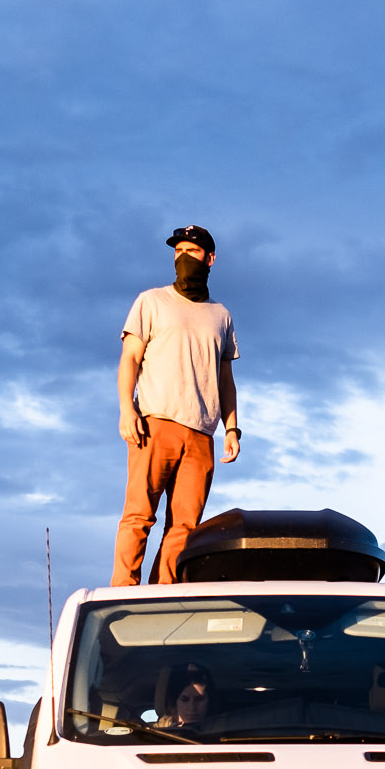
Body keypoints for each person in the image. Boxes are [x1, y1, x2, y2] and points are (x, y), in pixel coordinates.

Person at [112, 225, 241, 586]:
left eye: (193, 251)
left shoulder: (221, 315)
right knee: (139, 515)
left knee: (185, 528)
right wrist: (126, 409)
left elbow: (225, 378)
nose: (184, 257)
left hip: (202, 434)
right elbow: (130, 358)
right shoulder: (151, 301)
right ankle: (123, 590)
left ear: (210, 259)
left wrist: (232, 429)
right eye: (178, 251)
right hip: (155, 423)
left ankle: (161, 594)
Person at [155, 663, 214, 730]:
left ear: (209, 700)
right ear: (174, 702)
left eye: (199, 699)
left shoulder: (223, 729)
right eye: (184, 699)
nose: (192, 708)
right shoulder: (155, 732)